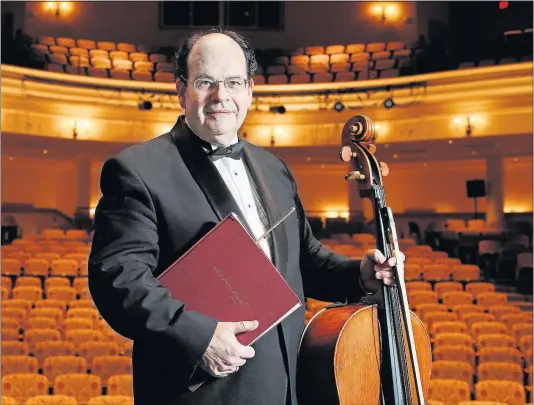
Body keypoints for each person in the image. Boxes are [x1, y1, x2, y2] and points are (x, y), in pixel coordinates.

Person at [88, 29, 403, 405]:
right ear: (181, 89)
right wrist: (199, 336)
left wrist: (360, 275)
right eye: (206, 82)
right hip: (202, 391)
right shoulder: (137, 170)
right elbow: (118, 279)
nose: (221, 96)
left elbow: (302, 261)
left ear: (250, 90)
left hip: (284, 385)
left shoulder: (273, 168)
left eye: (234, 83)